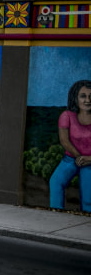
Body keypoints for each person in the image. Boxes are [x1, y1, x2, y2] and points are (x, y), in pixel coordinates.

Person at [49, 80, 91, 212]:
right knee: (55, 182)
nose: (87, 100)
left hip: (90, 161)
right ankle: (56, 214)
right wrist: (79, 157)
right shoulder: (66, 116)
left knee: (88, 196)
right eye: (83, 96)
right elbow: (64, 140)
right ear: (75, 97)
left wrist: (88, 159)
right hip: (71, 158)